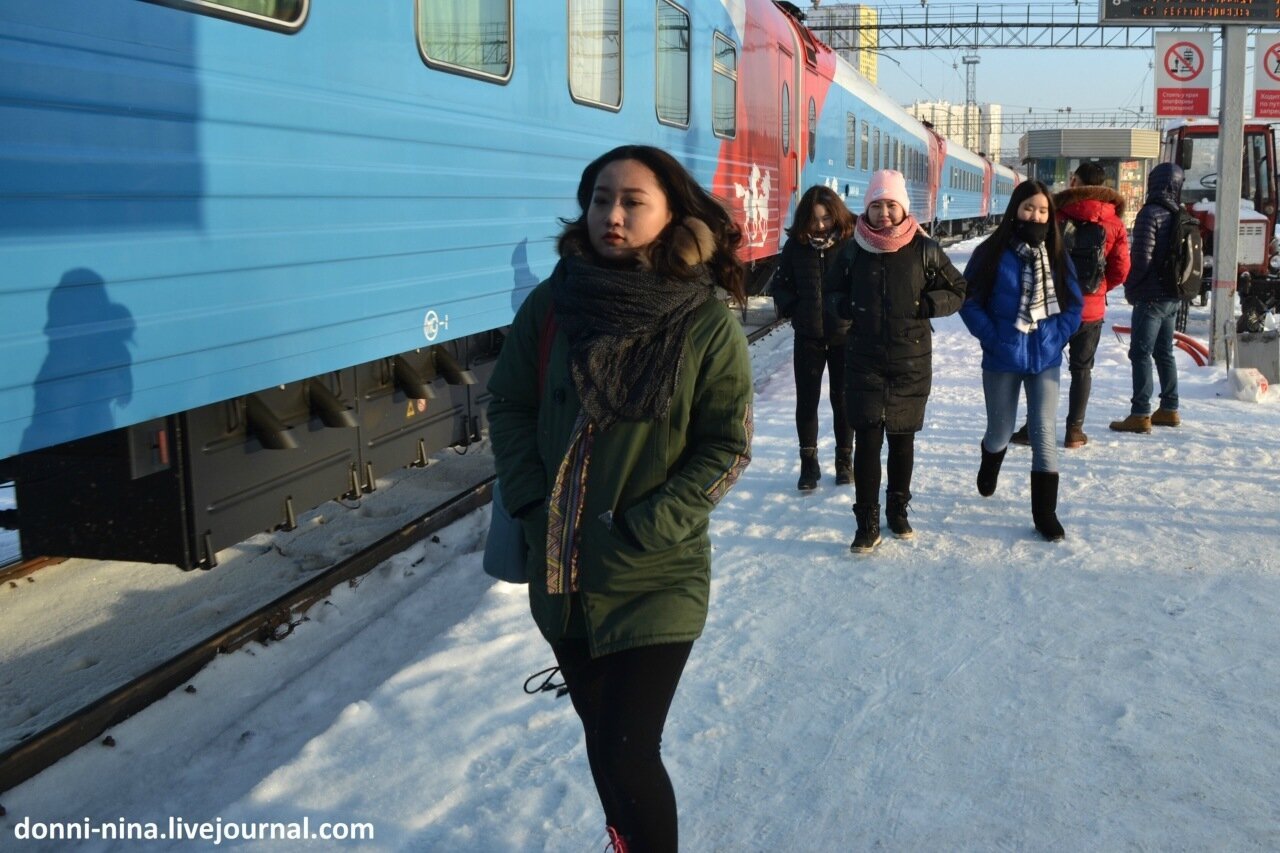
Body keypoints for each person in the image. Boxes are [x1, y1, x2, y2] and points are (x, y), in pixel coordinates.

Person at [486, 144, 753, 853]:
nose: (612, 214)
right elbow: (508, 403)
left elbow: (726, 446)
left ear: (671, 214)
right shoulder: (554, 302)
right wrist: (529, 502)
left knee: (628, 750)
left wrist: (647, 525)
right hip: (563, 572)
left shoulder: (703, 321)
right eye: (601, 199)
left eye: (633, 202)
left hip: (653, 571)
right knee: (603, 743)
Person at [829, 170, 966, 552]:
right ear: (866, 209)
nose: (884, 212)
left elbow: (958, 289)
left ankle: (897, 510)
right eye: (876, 205)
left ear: (903, 208)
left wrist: (929, 304)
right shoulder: (852, 251)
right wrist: (843, 307)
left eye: (891, 204)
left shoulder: (925, 250)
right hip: (864, 360)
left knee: (902, 442)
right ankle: (867, 522)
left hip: (910, 360)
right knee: (868, 443)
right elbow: (831, 292)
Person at [960, 180, 1083, 542]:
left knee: (1043, 430)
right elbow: (968, 300)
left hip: (1045, 357)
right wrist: (993, 337)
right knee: (1001, 430)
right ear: (1015, 209)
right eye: (1029, 208)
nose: (1035, 216)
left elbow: (1074, 306)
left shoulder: (1057, 254)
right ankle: (990, 458)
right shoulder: (991, 252)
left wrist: (1056, 336)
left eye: (1043, 210)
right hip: (1003, 355)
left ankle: (1045, 514)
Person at [1010, 161, 1130, 448]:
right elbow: (1121, 269)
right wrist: (1099, 289)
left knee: (1043, 364)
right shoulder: (1114, 222)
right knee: (1082, 370)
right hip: (1091, 309)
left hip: (1056, 304)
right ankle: (1074, 431)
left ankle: (1033, 427)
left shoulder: (1058, 215)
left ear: (1075, 181)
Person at [771, 185, 856, 491]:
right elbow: (780, 285)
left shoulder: (850, 245)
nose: (820, 225)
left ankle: (844, 462)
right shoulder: (795, 247)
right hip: (808, 337)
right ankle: (809, 466)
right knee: (806, 402)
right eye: (814, 219)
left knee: (843, 402)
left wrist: (853, 311)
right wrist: (794, 309)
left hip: (844, 336)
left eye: (826, 218)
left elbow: (861, 283)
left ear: (837, 216)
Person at [1110, 162, 1186, 434]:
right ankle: (1169, 408)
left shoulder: (1150, 213)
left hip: (1151, 296)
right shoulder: (1181, 214)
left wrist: (1131, 286)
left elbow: (1141, 258)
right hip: (1173, 295)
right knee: (1164, 352)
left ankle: (1140, 413)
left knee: (1140, 353)